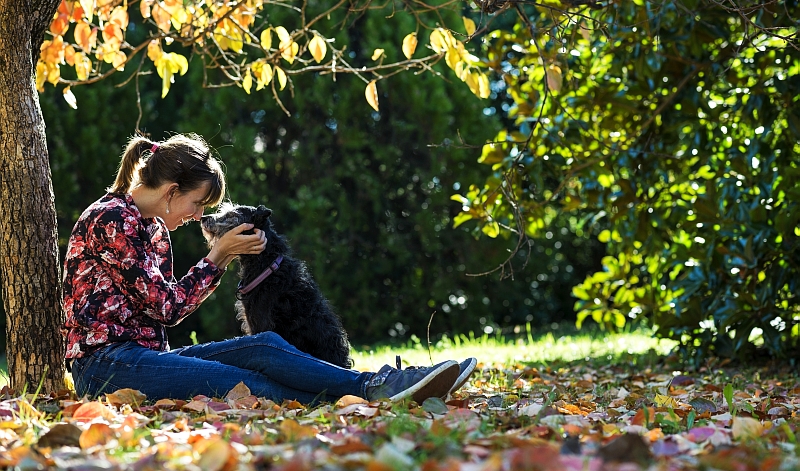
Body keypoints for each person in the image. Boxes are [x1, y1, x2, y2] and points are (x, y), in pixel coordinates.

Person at [63, 133, 477, 404]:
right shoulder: (112, 219)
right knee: (248, 386)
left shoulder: (150, 226)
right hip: (106, 366)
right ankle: (374, 391)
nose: (196, 216)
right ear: (173, 191)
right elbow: (166, 307)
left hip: (145, 358)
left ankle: (377, 385)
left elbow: (161, 306)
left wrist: (220, 256)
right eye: (198, 205)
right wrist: (219, 256)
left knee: (265, 346)